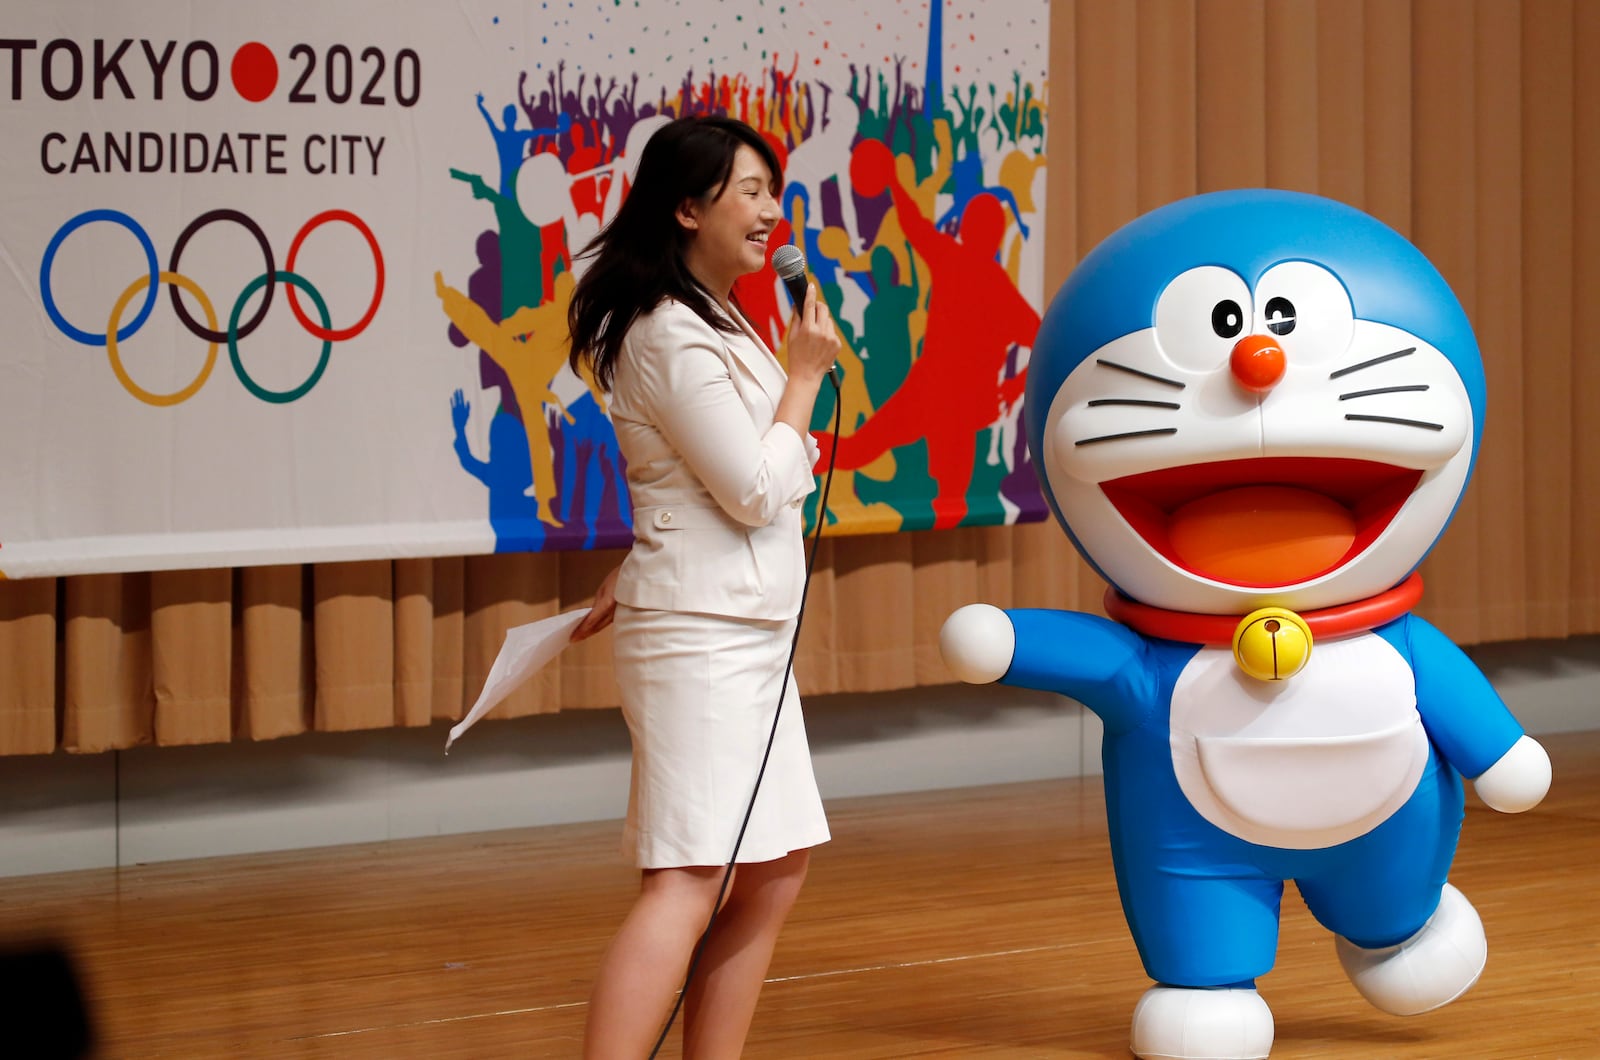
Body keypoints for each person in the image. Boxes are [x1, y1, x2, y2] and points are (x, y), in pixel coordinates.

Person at [563, 115, 842, 1058]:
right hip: (704, 641)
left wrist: (637, 560)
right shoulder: (666, 334)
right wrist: (803, 378)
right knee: (689, 877)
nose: (772, 211)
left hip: (746, 631)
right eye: (750, 191)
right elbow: (754, 485)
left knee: (773, 869)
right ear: (687, 208)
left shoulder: (715, 317)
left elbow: (680, 480)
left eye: (773, 190)